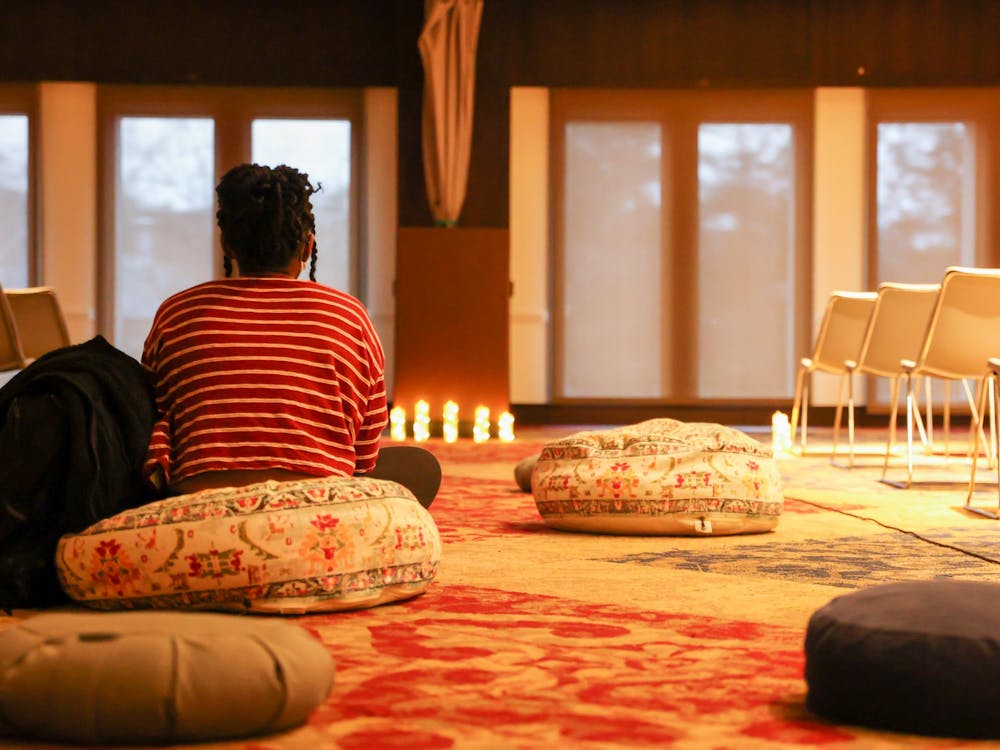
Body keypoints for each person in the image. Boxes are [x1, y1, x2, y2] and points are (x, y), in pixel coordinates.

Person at [141, 163, 440, 507]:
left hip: (199, 503)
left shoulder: (176, 312)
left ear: (227, 243)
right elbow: (363, 456)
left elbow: (151, 414)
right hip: (315, 505)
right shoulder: (349, 316)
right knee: (419, 466)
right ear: (307, 247)